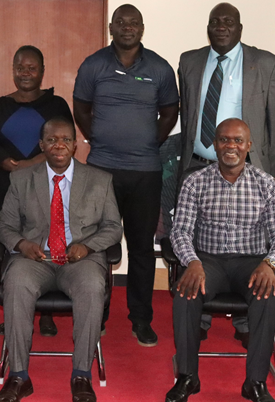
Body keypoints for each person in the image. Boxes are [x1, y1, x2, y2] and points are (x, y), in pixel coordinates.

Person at [178, 2, 275, 347]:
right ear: (208, 28)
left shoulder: (266, 63)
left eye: (229, 22)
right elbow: (189, 115)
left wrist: (264, 173)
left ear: (240, 28)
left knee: (247, 242)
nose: (221, 26)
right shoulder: (189, 61)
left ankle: (245, 319)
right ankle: (199, 316)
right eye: (215, 21)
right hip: (198, 163)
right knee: (199, 238)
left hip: (247, 167)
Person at [0, 117, 122, 402]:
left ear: (75, 145)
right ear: (42, 145)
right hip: (35, 259)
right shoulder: (21, 179)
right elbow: (3, 225)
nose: (59, 145)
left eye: (65, 139)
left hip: (80, 260)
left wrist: (88, 246)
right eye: (52, 140)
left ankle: (81, 376)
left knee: (92, 287)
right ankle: (18, 376)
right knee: (16, 283)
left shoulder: (100, 180)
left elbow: (114, 228)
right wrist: (22, 244)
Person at [167, 119, 275, 402]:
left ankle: (255, 383)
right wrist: (192, 261)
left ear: (248, 146)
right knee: (186, 291)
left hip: (251, 263)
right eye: (224, 140)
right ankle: (188, 376)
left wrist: (270, 263)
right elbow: (180, 231)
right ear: (214, 144)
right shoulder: (195, 182)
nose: (230, 146)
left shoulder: (265, 183)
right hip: (207, 261)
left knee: (266, 293)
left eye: (238, 140)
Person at [73, 4, 178, 346]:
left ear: (141, 28)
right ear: (111, 27)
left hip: (145, 171)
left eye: (134, 23)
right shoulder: (94, 65)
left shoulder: (160, 68)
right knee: (98, 245)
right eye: (121, 22)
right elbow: (81, 109)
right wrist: (99, 139)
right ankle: (98, 315)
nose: (127, 27)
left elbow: (170, 112)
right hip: (101, 170)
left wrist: (149, 142)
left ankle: (141, 319)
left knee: (142, 248)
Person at [0, 45, 73, 337]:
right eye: (20, 68)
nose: (26, 73)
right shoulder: (0, 105)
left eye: (32, 68)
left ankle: (46, 314)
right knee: (9, 245)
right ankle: (14, 311)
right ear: (13, 71)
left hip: (45, 184)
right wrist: (6, 162)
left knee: (43, 241)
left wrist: (32, 163)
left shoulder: (56, 104)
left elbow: (63, 139)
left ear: (42, 71)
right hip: (5, 184)